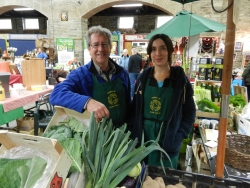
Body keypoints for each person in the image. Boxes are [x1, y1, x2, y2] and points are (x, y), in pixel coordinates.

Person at [129, 34, 196, 169]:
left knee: (165, 180)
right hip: (143, 140)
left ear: (170, 51)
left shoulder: (180, 81)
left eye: (162, 48)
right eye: (153, 49)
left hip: (168, 140)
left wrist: (180, 135)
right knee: (143, 178)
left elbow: (190, 112)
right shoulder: (143, 79)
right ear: (149, 53)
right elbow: (134, 109)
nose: (158, 53)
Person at [50, 25, 131, 125]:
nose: (100, 49)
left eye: (104, 44)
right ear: (89, 49)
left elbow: (129, 106)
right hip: (96, 137)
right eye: (96, 45)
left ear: (110, 47)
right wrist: (87, 102)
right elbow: (56, 94)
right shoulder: (80, 75)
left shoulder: (122, 73)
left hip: (123, 135)